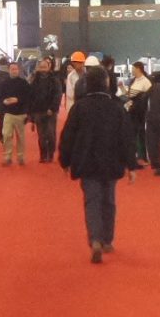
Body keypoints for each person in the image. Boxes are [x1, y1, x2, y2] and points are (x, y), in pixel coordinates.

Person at [58, 65, 137, 264]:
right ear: (107, 82)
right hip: (111, 161)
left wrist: (65, 160)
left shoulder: (79, 108)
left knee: (92, 201)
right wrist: (131, 164)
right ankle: (107, 240)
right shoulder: (116, 107)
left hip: (86, 161)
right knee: (109, 201)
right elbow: (126, 137)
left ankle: (95, 240)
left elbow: (68, 136)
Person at [0, 62, 31, 165]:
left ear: (18, 70)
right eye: (12, 69)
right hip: (8, 113)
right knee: (6, 135)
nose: (14, 71)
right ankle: (7, 157)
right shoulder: (4, 83)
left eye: (16, 69)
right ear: (9, 70)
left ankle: (21, 157)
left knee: (20, 137)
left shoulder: (24, 83)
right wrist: (4, 101)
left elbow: (28, 97)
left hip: (21, 113)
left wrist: (17, 100)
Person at [29, 58, 63, 162]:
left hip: (51, 112)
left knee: (51, 134)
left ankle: (51, 154)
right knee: (41, 135)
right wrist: (31, 114)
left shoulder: (54, 80)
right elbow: (30, 96)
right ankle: (43, 155)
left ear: (49, 67)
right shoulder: (34, 80)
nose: (43, 69)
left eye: (45, 67)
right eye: (41, 67)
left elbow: (58, 95)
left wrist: (52, 108)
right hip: (38, 111)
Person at [125, 61, 152, 161]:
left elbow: (149, 97)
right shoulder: (133, 80)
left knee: (141, 133)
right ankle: (135, 154)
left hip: (141, 112)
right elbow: (130, 95)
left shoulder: (146, 82)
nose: (132, 70)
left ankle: (145, 156)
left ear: (138, 69)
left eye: (133, 68)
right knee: (132, 133)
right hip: (132, 111)